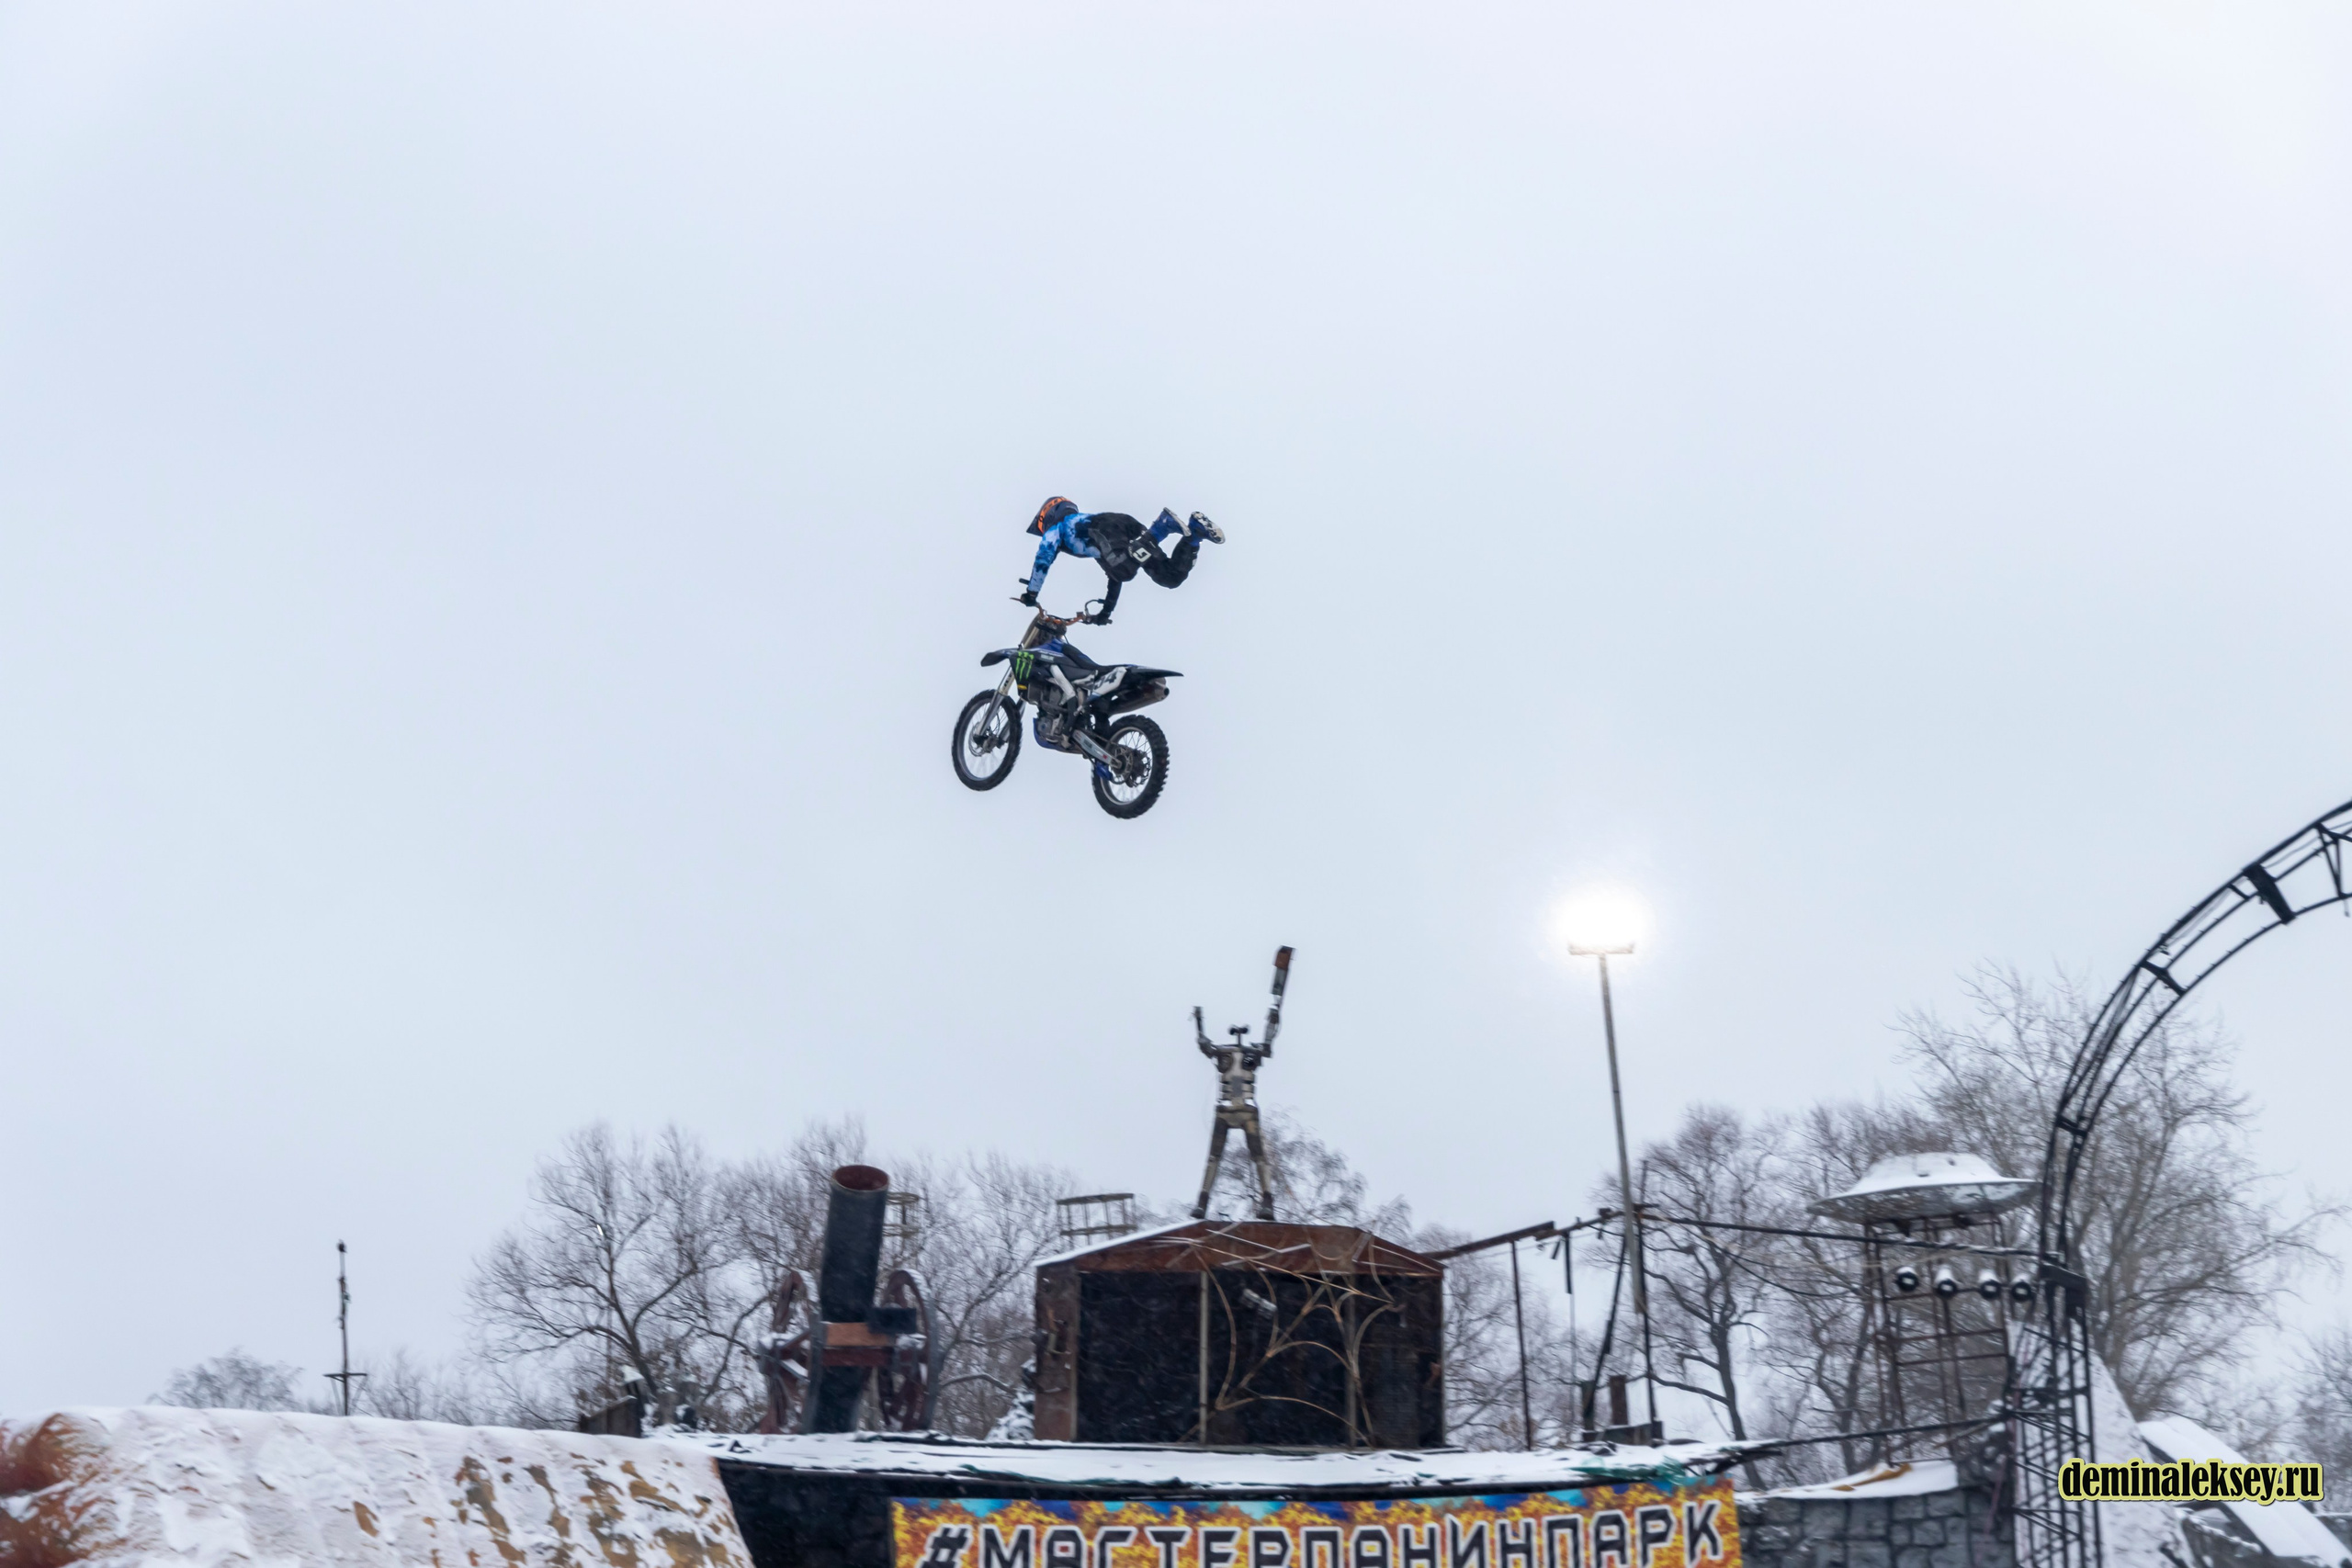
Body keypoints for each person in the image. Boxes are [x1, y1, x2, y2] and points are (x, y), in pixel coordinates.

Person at [1018, 496, 1224, 624]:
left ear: (1049, 514)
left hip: (1107, 527)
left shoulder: (1060, 528)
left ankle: (1162, 526)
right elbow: (1113, 575)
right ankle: (1195, 534)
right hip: (1122, 526)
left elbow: (1043, 559)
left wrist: (1031, 593)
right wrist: (1105, 611)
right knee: (1169, 578)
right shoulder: (1085, 539)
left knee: (1124, 569)